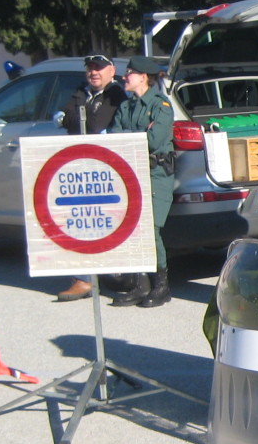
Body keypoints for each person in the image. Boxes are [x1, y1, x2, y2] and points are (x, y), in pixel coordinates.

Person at [55, 54, 126, 302]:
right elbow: (65, 118)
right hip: (79, 167)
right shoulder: (81, 91)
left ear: (111, 70)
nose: (93, 72)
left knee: (101, 222)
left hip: (105, 170)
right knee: (80, 221)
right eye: (90, 68)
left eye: (99, 68)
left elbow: (95, 124)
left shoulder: (116, 94)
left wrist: (76, 118)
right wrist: (76, 118)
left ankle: (97, 277)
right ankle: (84, 279)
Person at [112, 56, 176, 308]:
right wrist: (139, 134)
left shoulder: (161, 105)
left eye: (129, 72)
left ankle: (161, 286)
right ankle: (141, 284)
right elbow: (115, 137)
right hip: (132, 173)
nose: (124, 77)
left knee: (151, 228)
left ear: (143, 77)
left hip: (156, 173)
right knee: (134, 228)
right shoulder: (126, 106)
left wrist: (133, 137)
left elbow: (154, 140)